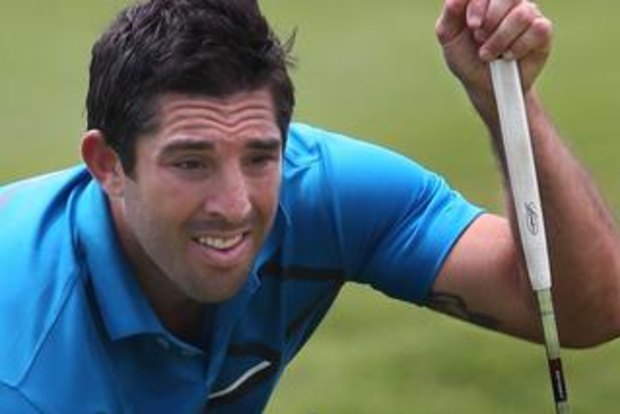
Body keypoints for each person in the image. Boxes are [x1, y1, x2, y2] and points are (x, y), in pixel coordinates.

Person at [1, 0, 619, 412]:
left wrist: (506, 105)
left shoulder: (318, 189)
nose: (235, 204)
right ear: (108, 164)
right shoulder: (25, 370)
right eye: (190, 162)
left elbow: (583, 312)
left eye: (259, 156)